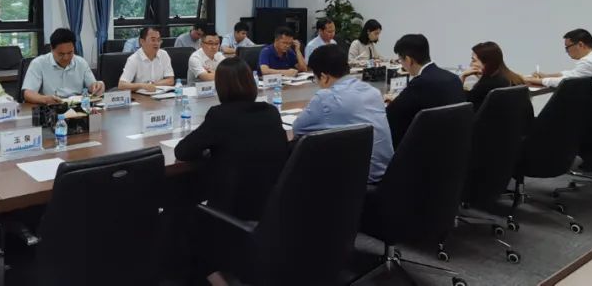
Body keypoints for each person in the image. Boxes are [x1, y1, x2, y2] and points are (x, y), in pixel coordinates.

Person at [175, 58, 289, 219]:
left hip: (232, 212)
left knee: (179, 204)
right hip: (271, 208)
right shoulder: (271, 111)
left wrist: (208, 151)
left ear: (220, 87)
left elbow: (182, 151)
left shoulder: (220, 115)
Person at [292, 44, 394, 183]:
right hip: (387, 175)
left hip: (359, 181)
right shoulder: (373, 92)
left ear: (324, 77)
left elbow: (298, 129)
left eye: (315, 79)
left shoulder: (325, 98)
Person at [384, 34, 465, 147]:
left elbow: (391, 115)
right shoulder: (453, 78)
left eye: (400, 60)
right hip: (455, 144)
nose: (401, 64)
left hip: (425, 147)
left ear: (409, 60)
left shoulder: (420, 83)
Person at [22, 28, 105, 105]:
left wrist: (97, 86)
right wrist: (45, 99)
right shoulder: (38, 63)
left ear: (74, 48)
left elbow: (92, 86)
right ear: (52, 49)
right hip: (51, 107)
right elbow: (28, 94)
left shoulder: (81, 62)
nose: (66, 58)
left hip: (77, 108)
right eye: (61, 54)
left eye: (70, 53)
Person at [525, 28, 592, 90]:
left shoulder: (589, 62)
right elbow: (572, 74)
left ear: (580, 45)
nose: (567, 51)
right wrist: (547, 75)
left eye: (567, 47)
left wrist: (529, 80)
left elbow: (566, 82)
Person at [461, 41, 525, 109]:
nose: (471, 64)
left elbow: (462, 102)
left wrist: (462, 77)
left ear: (486, 62)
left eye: (474, 60)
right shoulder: (515, 78)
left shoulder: (487, 84)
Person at [118, 26, 175, 91]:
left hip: (160, 94)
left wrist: (152, 85)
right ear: (142, 41)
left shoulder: (164, 54)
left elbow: (170, 80)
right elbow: (122, 85)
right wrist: (142, 86)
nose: (157, 43)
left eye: (159, 40)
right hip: (141, 95)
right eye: (153, 40)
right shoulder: (133, 59)